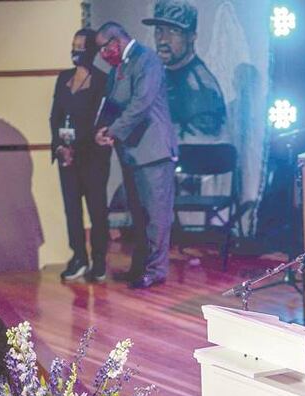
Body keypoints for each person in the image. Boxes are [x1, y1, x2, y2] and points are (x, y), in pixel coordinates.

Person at [95, 22, 177, 290]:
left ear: (115, 41)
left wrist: (114, 131)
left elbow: (140, 103)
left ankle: (156, 270)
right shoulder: (118, 67)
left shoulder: (147, 60)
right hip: (131, 152)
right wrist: (101, 130)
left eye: (103, 48)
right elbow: (110, 104)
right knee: (139, 216)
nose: (102, 54)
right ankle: (141, 267)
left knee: (156, 217)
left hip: (153, 151)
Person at [51, 28, 111, 283]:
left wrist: (79, 147)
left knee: (97, 211)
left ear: (92, 51)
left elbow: (101, 120)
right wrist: (59, 147)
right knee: (71, 210)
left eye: (81, 46)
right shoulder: (63, 77)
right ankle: (78, 258)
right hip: (66, 158)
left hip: (92, 157)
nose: (76, 51)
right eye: (73, 45)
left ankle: (98, 261)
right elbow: (54, 116)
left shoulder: (102, 80)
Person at [144, 0, 227, 143]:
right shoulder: (165, 72)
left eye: (174, 31)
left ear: (191, 36)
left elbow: (202, 149)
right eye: (159, 29)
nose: (163, 39)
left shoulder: (199, 87)